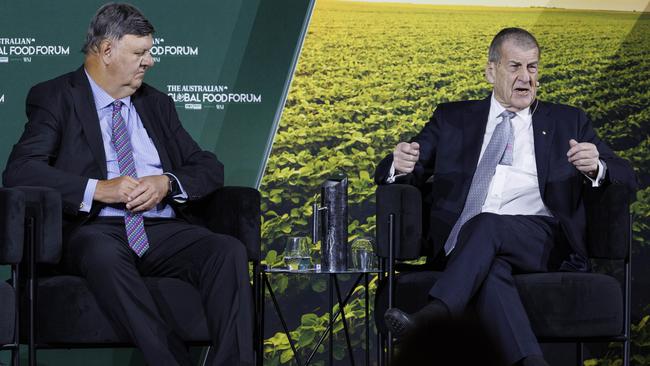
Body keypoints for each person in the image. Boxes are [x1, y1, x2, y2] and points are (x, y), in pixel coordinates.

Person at [2, 3, 253, 366]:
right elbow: (21, 171)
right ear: (106, 51)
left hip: (161, 228)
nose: (149, 61)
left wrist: (167, 182)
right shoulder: (57, 97)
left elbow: (207, 166)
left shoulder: (157, 104)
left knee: (227, 250)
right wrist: (98, 189)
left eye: (149, 52)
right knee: (101, 252)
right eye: (140, 52)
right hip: (96, 229)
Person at [375, 27, 637, 366]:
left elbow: (628, 175)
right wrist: (398, 164)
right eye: (515, 67)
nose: (526, 78)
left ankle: (434, 315)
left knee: (487, 225)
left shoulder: (568, 121)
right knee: (491, 266)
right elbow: (404, 165)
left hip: (542, 240)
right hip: (467, 247)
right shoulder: (452, 118)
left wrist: (597, 166)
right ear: (491, 71)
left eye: (533, 68)